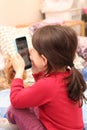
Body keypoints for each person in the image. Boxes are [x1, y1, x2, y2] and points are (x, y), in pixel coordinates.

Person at [6, 25, 87, 130]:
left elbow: (15, 99)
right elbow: (45, 93)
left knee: (15, 109)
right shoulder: (70, 75)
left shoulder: (48, 84)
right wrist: (36, 72)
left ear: (44, 60)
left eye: (33, 49)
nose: (29, 51)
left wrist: (19, 72)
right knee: (33, 103)